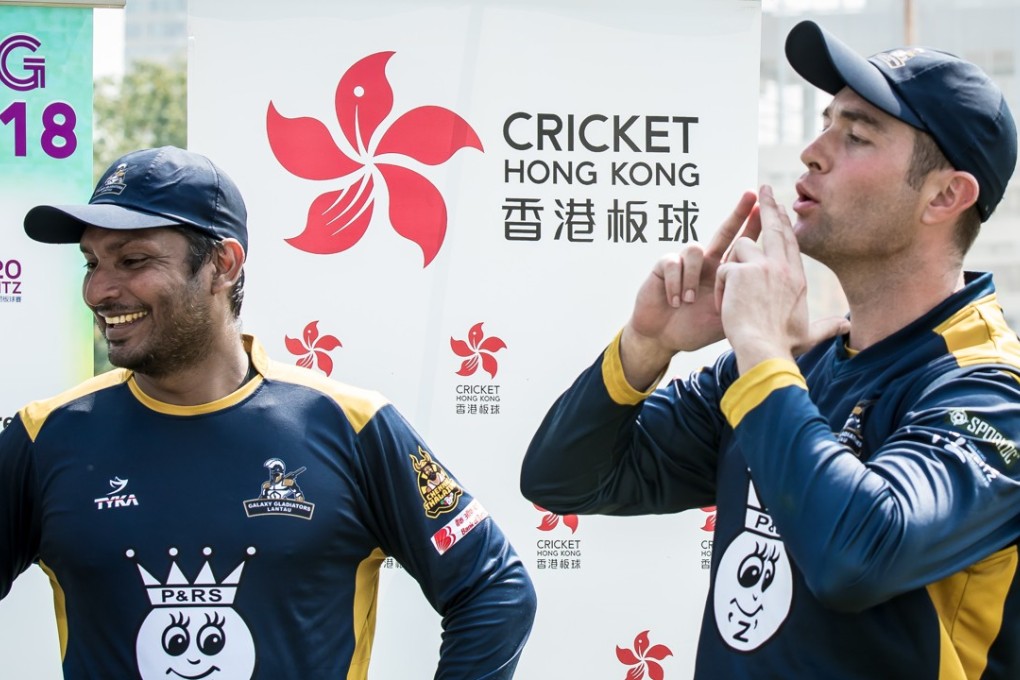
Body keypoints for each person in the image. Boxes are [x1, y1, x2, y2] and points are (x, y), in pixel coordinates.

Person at [522, 19, 1020, 680]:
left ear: (946, 196)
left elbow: (855, 556)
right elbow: (563, 477)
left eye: (856, 135)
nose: (814, 151)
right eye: (825, 123)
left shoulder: (989, 389)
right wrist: (647, 345)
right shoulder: (793, 366)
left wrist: (759, 347)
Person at [0, 145, 536, 679]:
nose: (100, 290)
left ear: (222, 265)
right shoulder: (42, 436)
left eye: (133, 261)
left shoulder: (350, 426)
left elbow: (493, 590)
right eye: (92, 263)